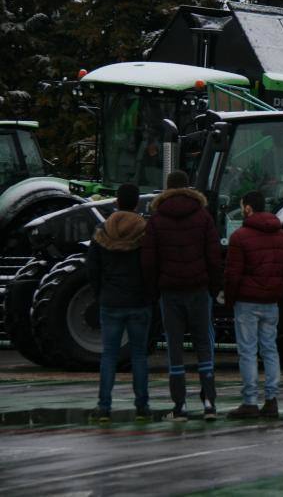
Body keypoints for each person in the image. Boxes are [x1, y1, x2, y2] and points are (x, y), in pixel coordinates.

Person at [141, 170, 222, 422]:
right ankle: (209, 402)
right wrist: (214, 286)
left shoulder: (156, 219)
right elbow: (214, 255)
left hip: (170, 292)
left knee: (174, 347)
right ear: (188, 187)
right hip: (198, 289)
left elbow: (149, 260)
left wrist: (154, 289)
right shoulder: (203, 216)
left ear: (167, 188)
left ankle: (180, 405)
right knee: (203, 344)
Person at [225, 191, 283, 419]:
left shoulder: (239, 237)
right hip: (271, 302)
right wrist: (278, 292)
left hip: (246, 302)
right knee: (270, 350)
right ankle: (271, 400)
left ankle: (250, 401)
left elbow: (233, 274)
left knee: (247, 352)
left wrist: (230, 297)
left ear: (247, 208)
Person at [87, 183, 151, 423]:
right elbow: (150, 266)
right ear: (137, 203)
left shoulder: (102, 231)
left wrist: (100, 294)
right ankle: (142, 406)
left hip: (110, 301)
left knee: (109, 355)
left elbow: (92, 268)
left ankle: (104, 407)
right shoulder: (144, 231)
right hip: (138, 301)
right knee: (139, 355)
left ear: (116, 202)